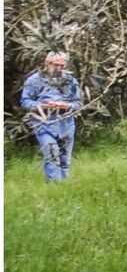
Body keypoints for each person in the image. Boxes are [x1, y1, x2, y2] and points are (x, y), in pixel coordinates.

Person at [20, 51, 82, 182]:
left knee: (65, 160)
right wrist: (43, 106)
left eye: (62, 65)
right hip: (44, 124)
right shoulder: (34, 80)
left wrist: (66, 106)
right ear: (47, 63)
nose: (59, 68)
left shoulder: (70, 80)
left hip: (66, 123)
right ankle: (55, 185)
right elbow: (25, 101)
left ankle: (64, 188)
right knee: (52, 157)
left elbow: (78, 102)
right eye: (56, 65)